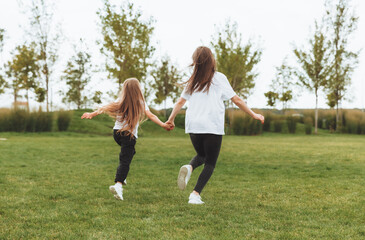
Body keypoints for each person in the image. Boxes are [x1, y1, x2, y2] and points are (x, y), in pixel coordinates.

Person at [167, 46, 264, 204]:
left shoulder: (192, 81)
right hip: (212, 125)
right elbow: (236, 100)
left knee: (202, 156)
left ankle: (190, 168)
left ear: (195, 62)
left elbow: (180, 102)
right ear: (211, 60)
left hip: (193, 126)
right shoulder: (219, 78)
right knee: (210, 162)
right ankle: (195, 195)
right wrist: (253, 114)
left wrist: (171, 119)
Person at [81, 78, 171, 200]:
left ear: (125, 89)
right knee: (125, 161)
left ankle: (122, 176)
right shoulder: (140, 102)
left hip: (116, 134)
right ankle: (118, 184)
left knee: (130, 153)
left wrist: (92, 114)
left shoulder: (120, 100)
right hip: (129, 136)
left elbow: (105, 108)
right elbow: (151, 115)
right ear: (138, 89)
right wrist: (163, 124)